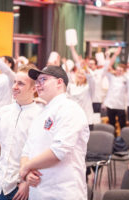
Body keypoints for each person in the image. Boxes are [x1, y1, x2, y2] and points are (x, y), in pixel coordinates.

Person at [20, 66, 90, 200]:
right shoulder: (41, 113)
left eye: (43, 80)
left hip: (62, 192)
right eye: (37, 81)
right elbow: (27, 151)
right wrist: (27, 171)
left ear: (59, 82)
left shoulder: (70, 109)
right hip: (39, 192)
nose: (38, 85)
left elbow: (59, 151)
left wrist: (27, 167)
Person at [0, 64, 42, 200]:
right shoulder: (4, 111)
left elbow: (40, 153)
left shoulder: (40, 115)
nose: (14, 87)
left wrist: (27, 183)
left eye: (21, 84)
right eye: (15, 82)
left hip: (20, 187)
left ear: (33, 88)